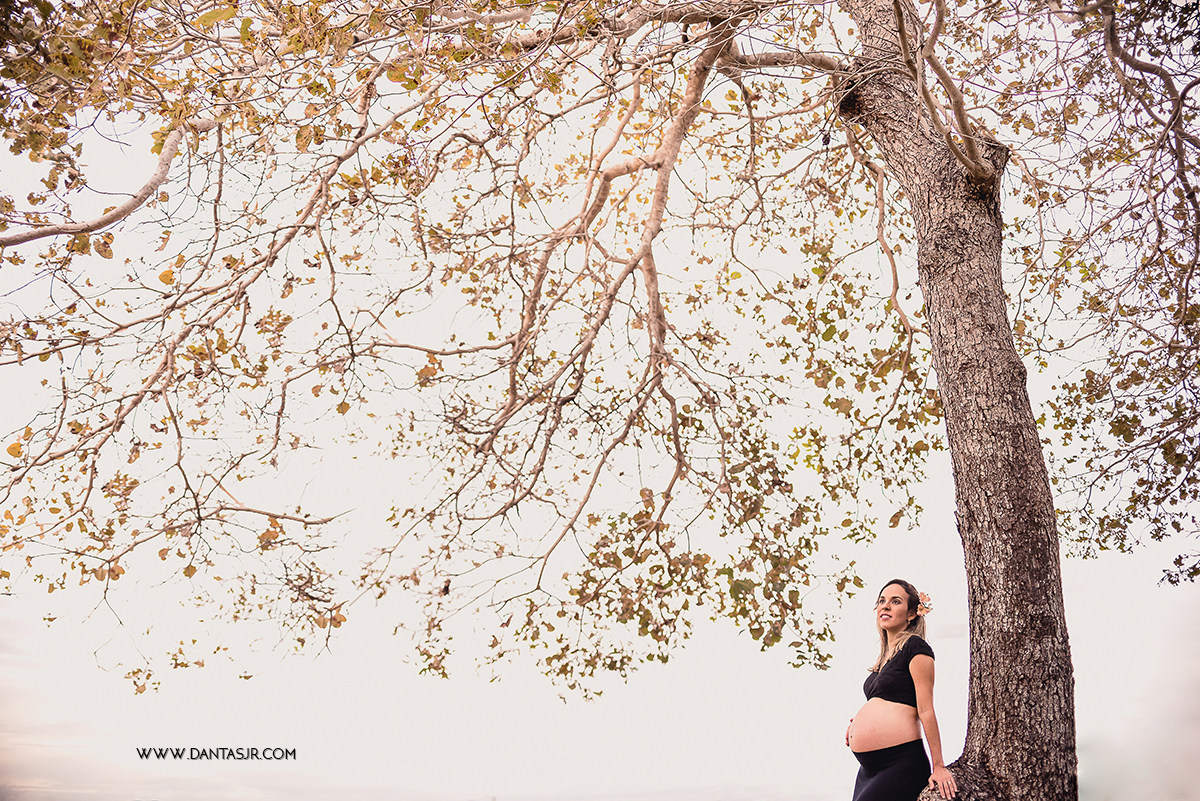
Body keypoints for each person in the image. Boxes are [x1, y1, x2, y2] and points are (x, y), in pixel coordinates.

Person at [845, 579, 957, 800]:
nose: (885, 606)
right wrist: (857, 724)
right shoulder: (883, 660)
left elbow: (926, 710)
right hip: (868, 770)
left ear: (911, 614)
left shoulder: (916, 648)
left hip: (899, 763)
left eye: (895, 601)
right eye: (882, 601)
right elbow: (890, 701)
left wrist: (938, 766)